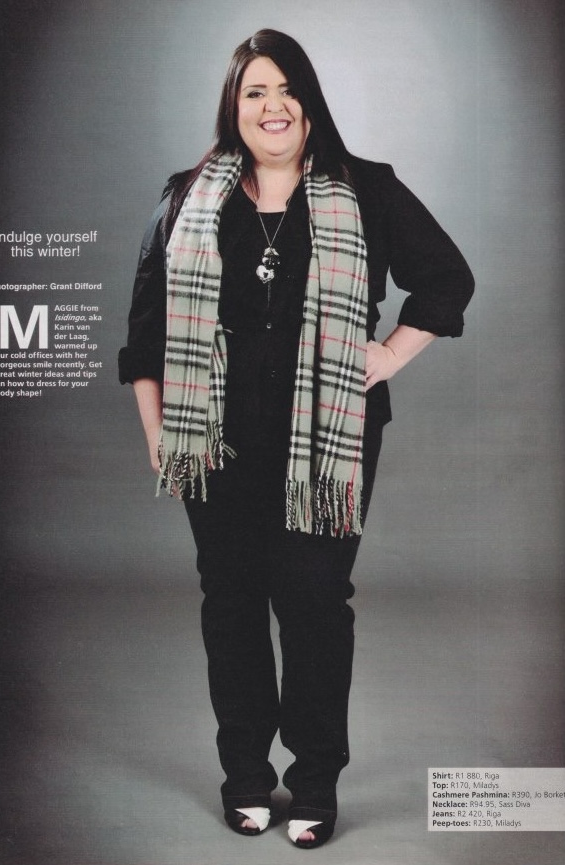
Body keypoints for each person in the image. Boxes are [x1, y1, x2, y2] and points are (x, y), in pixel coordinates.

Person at [119, 28, 474, 849]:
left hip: (328, 443)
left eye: (287, 89)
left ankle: (315, 780)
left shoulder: (367, 189)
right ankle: (246, 775)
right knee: (231, 602)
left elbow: (447, 278)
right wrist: (157, 432)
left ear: (309, 102)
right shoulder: (185, 197)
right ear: (234, 107)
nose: (272, 106)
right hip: (215, 441)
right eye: (255, 92)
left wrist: (389, 355)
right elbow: (145, 331)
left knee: (315, 604)